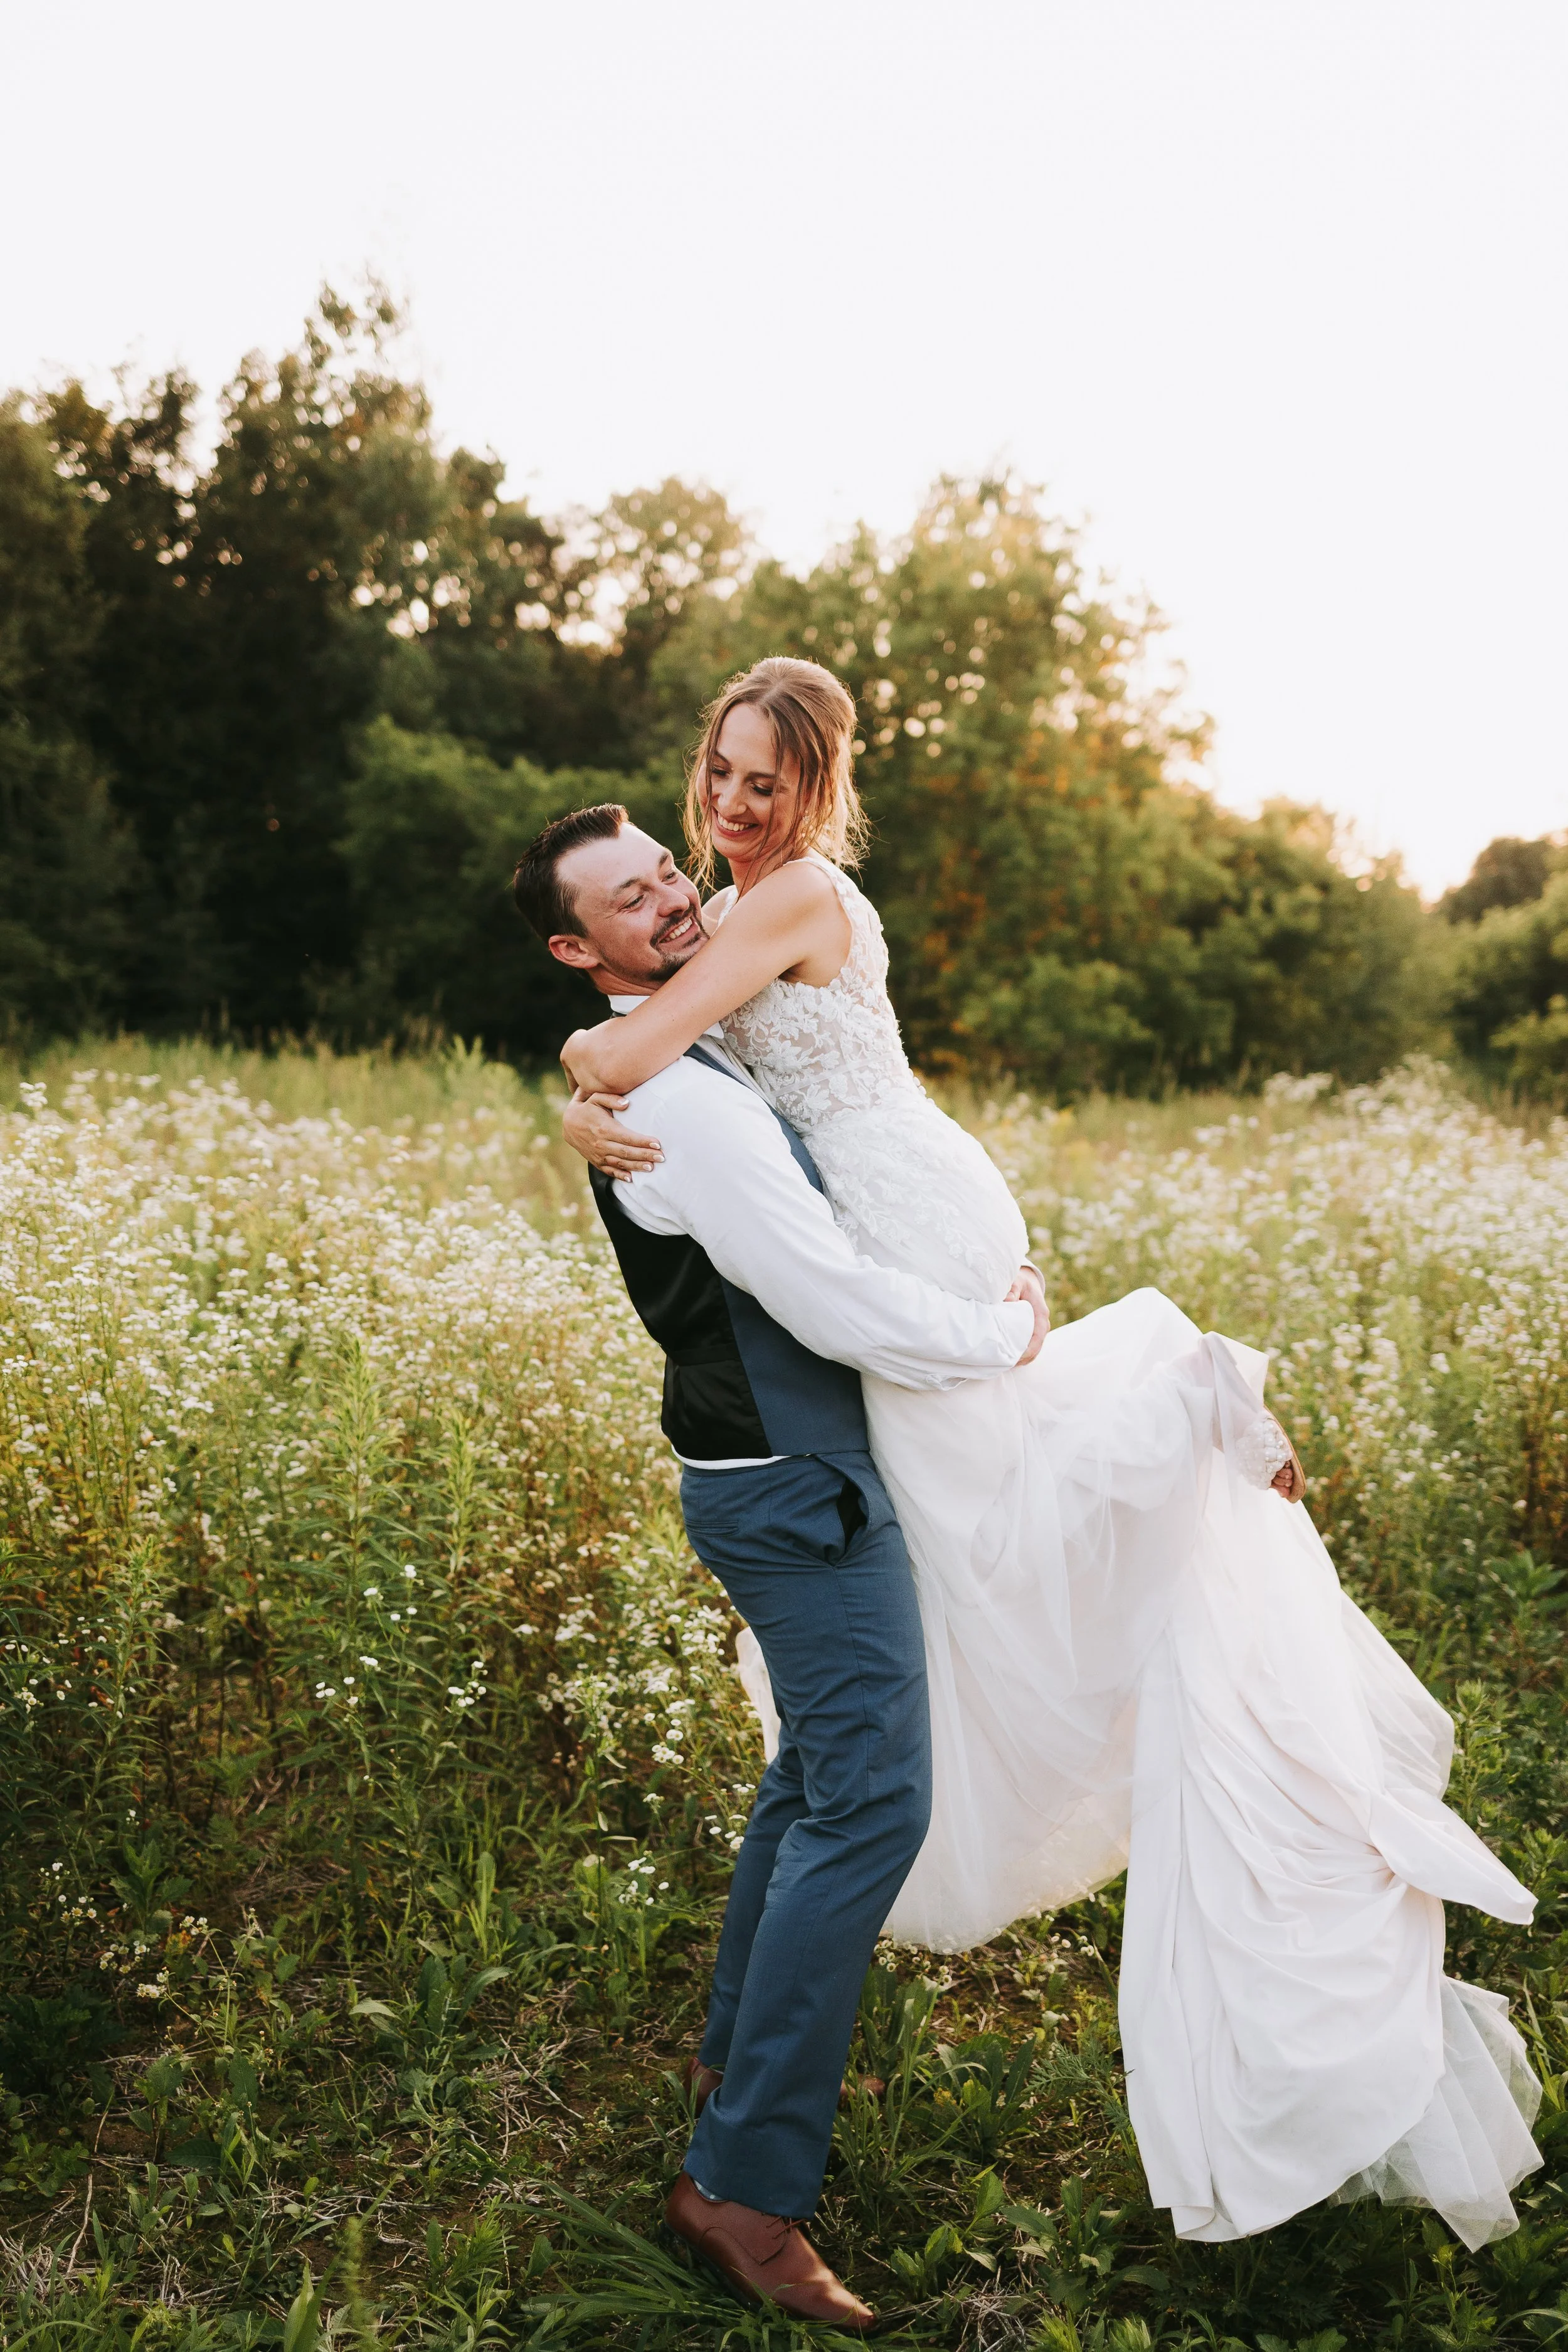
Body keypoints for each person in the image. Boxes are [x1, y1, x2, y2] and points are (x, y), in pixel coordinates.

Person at [548, 657, 1543, 2255]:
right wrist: (592, 1092)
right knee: (907, 1699)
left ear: (816, 791)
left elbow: (628, 1046)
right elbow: (643, 1050)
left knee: (940, 1653)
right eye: (718, 773)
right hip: (883, 1318)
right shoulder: (738, 931)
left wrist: (586, 1090)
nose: (728, 809)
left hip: (921, 1280)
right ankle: (1188, 1415)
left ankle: (1187, 1408)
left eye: (765, 781)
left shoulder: (781, 897)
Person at [513, 802, 1047, 2334]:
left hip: (782, 1474)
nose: (675, 900)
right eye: (629, 899)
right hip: (794, 1484)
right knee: (871, 1799)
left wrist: (582, 1071)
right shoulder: (686, 1100)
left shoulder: (682, 1054)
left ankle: (730, 2061)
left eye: (668, 872)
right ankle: (740, 2190)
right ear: (578, 948)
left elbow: (653, 1054)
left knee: (815, 1779)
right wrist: (1002, 1333)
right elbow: (829, 1302)